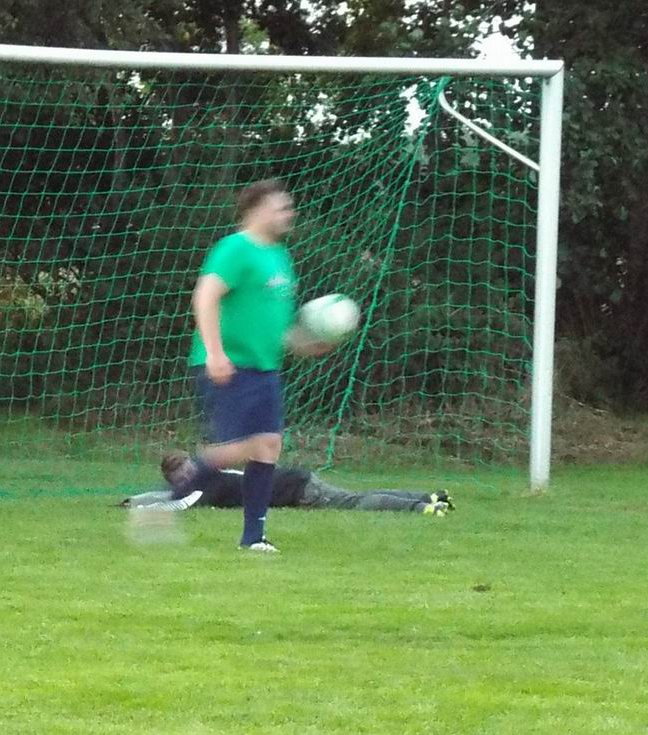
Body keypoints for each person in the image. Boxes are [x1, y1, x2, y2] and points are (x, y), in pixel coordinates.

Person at [165, 178, 333, 553]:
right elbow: (205, 296)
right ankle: (169, 497)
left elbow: (280, 328)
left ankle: (253, 538)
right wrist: (214, 352)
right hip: (229, 364)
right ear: (257, 209)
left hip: (264, 369)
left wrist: (309, 344)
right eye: (280, 207)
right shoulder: (235, 248)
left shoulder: (280, 257)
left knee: (268, 446)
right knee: (241, 447)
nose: (289, 213)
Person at [124, 451, 452, 514]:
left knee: (354, 503)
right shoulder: (208, 477)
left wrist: (143, 508)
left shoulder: (205, 485)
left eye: (187, 471)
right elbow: (171, 494)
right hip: (296, 482)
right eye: (180, 477)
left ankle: (421, 507)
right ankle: (429, 497)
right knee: (356, 497)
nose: (187, 478)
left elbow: (181, 503)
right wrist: (136, 499)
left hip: (297, 488)